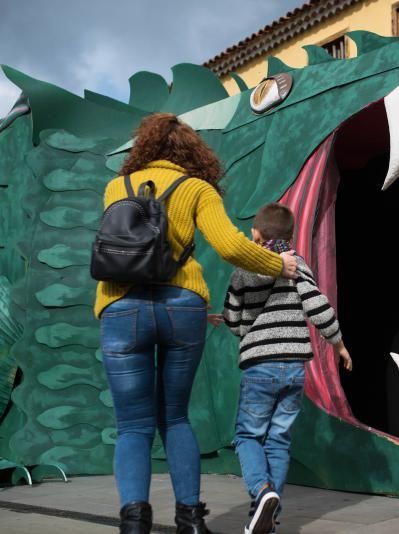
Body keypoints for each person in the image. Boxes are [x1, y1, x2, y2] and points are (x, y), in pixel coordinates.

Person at [96, 113, 298, 534]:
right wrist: (278, 264)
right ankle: (190, 521)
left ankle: (134, 524)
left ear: (145, 146)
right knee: (175, 418)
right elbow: (229, 246)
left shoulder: (116, 187)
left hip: (121, 306)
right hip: (181, 308)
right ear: (191, 150)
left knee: (132, 425)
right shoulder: (197, 188)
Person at [223, 202, 352, 534]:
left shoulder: (242, 270)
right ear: (290, 234)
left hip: (259, 366)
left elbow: (232, 318)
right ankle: (267, 514)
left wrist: (247, 333)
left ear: (255, 234)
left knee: (247, 435)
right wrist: (337, 343)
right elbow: (317, 305)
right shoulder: (296, 263)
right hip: (294, 366)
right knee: (278, 440)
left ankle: (262, 493)